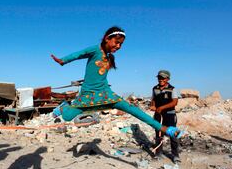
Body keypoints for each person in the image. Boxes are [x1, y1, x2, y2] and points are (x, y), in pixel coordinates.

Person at [51, 26, 182, 140]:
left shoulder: (109, 57)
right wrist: (63, 60)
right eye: (117, 42)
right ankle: (63, 106)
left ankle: (165, 129)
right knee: (68, 116)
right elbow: (80, 54)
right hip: (88, 94)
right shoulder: (95, 50)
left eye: (121, 44)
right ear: (107, 38)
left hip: (105, 93)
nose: (118, 46)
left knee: (132, 109)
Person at [150, 70, 180, 163]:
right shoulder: (155, 88)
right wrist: (153, 106)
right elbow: (153, 100)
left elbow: (175, 102)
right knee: (159, 133)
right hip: (159, 115)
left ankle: (175, 155)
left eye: (163, 78)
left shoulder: (172, 89)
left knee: (173, 134)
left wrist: (162, 107)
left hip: (170, 115)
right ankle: (159, 153)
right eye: (159, 78)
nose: (160, 80)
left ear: (167, 79)